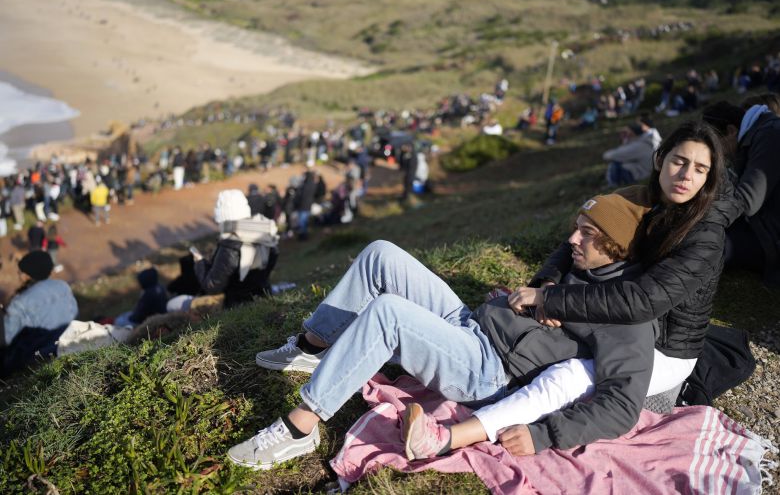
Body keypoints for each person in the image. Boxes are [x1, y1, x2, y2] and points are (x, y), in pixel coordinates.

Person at [228, 121, 724, 469]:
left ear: (616, 246)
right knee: (381, 252)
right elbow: (565, 253)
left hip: (487, 368)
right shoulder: (592, 248)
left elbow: (620, 402)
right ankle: (312, 348)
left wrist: (544, 431)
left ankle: (299, 427)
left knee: (388, 314)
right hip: (475, 324)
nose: (572, 239)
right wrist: (540, 288)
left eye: (586, 234)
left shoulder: (627, 312)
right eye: (577, 227)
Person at [702, 99, 780, 284]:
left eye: (715, 147)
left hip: (771, 238)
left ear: (731, 131)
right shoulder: (761, 134)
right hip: (764, 228)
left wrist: (698, 213)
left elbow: (747, 201)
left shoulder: (771, 136)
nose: (716, 156)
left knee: (705, 243)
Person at [179, 190, 279, 310]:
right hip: (264, 297)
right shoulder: (266, 234)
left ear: (223, 217)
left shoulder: (229, 246)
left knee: (175, 304)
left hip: (238, 307)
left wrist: (199, 262)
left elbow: (212, 286)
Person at [1, 251, 78, 375]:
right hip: (66, 339)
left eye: (20, 272)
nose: (18, 275)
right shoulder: (63, 286)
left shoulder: (20, 302)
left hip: (36, 355)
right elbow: (74, 313)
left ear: (27, 276)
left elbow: (7, 339)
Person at [603, 115, 662, 186]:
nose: (637, 125)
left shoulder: (640, 145)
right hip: (648, 171)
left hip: (643, 174)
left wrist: (626, 140)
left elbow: (611, 155)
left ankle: (613, 186)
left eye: (638, 124)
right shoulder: (651, 139)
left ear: (644, 126)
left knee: (615, 163)